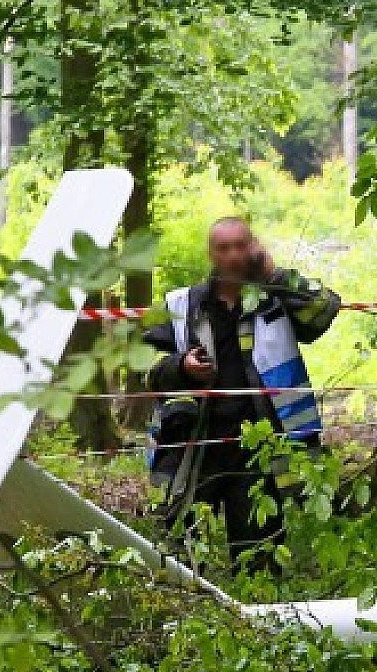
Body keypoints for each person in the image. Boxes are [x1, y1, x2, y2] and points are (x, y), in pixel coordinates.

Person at [143, 218, 342, 569]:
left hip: (259, 448)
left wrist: (273, 273)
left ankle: (259, 615)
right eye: (224, 247)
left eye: (241, 245)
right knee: (180, 554)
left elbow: (325, 309)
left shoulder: (276, 299)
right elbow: (144, 365)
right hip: (195, 445)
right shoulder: (180, 305)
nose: (233, 255)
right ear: (211, 253)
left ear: (252, 247)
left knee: (259, 560)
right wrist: (182, 366)